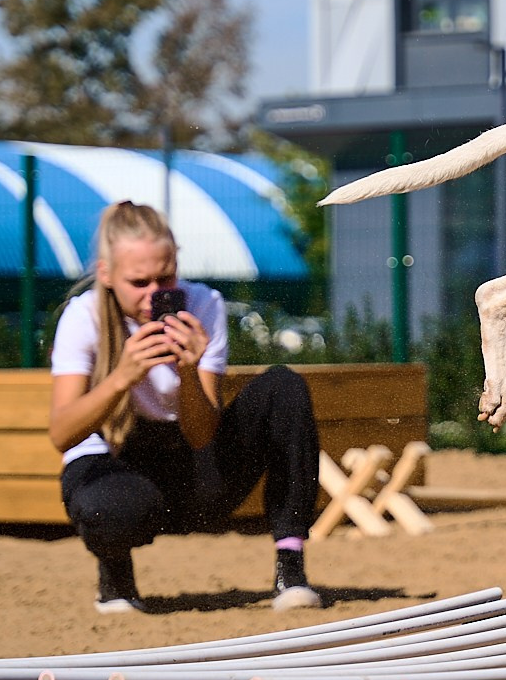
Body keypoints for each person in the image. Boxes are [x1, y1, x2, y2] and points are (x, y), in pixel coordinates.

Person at [48, 201, 323, 614]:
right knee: (106, 501)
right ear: (106, 275)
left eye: (167, 277)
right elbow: (62, 433)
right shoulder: (83, 316)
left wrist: (190, 372)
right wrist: (122, 376)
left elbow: (201, 435)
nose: (156, 295)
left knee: (283, 386)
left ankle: (291, 567)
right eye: (139, 282)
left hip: (192, 464)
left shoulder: (203, 304)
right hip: (123, 460)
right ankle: (116, 578)